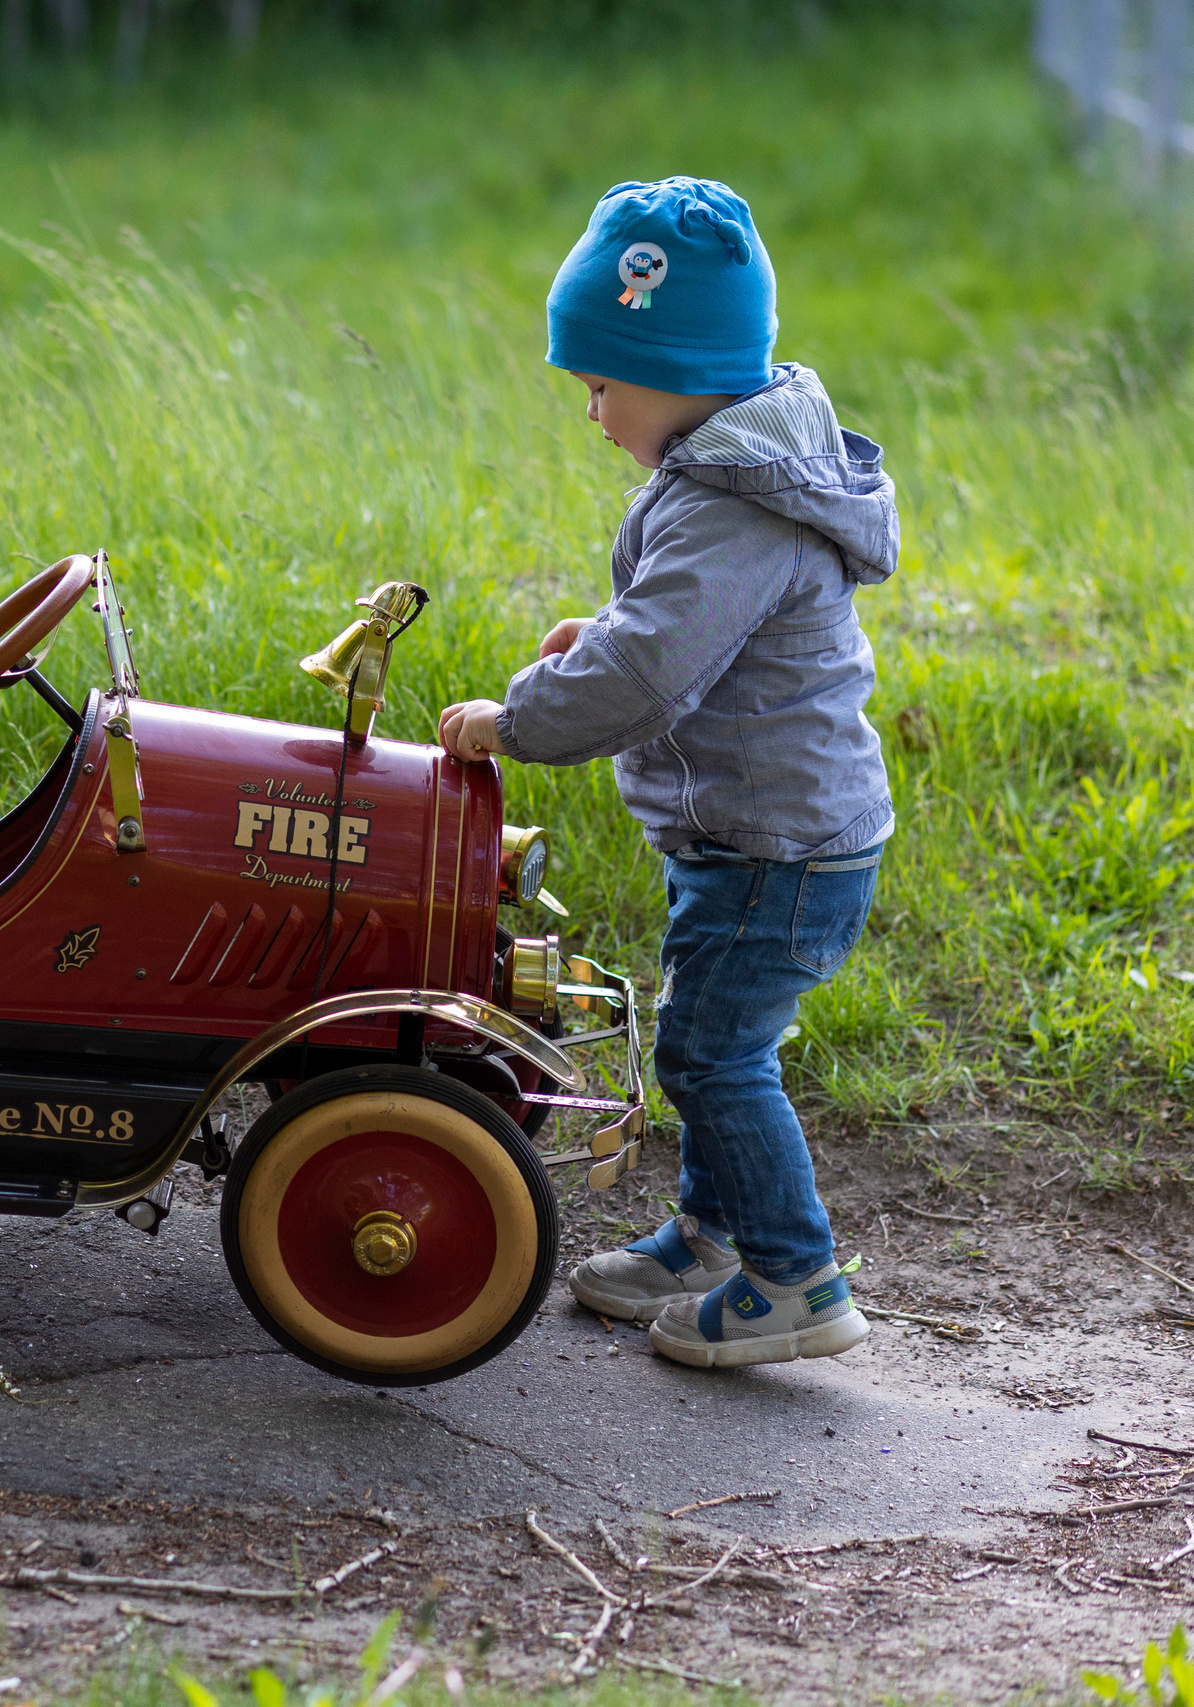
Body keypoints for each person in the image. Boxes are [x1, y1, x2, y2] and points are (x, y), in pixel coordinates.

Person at [436, 177, 899, 1370]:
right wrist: (598, 639)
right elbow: (668, 629)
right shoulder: (731, 478)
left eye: (601, 385)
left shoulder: (733, 508)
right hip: (759, 836)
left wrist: (518, 719)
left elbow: (648, 673)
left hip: (780, 851)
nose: (590, 413)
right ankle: (708, 1235)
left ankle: (796, 1279)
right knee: (711, 1037)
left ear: (679, 366)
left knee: (709, 1054)